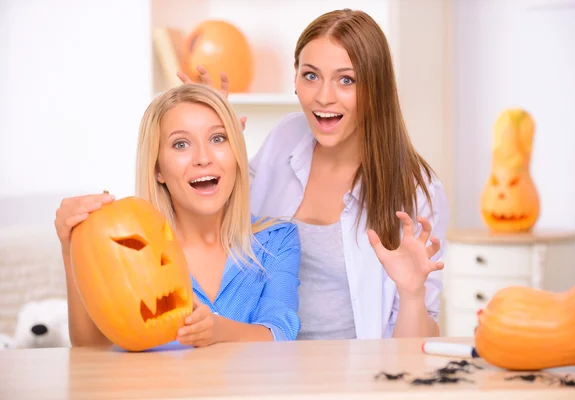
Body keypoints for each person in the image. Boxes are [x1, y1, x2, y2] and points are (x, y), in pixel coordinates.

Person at [179, 9, 451, 340]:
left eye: (346, 80)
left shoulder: (417, 190)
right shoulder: (286, 137)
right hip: (264, 363)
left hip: (354, 381)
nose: (323, 96)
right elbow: (220, 220)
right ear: (295, 80)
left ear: (376, 89)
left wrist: (411, 294)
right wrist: (215, 137)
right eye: (311, 75)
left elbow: (416, 347)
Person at [54, 83, 302, 348]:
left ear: (236, 153)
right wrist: (71, 247)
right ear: (158, 169)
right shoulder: (129, 251)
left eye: (217, 138)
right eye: (181, 144)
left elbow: (281, 332)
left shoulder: (276, 240)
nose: (203, 158)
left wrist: (218, 331)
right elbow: (91, 348)